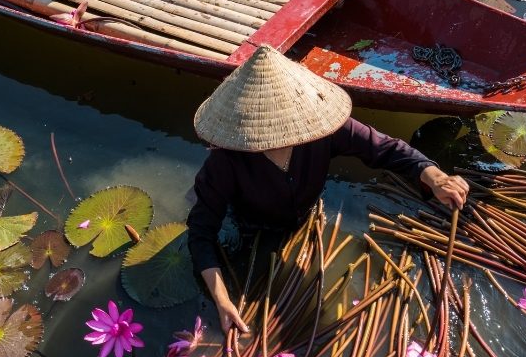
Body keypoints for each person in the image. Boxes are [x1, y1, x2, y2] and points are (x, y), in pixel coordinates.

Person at [187, 45, 469, 334]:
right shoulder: (226, 161)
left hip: (305, 214)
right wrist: (221, 299)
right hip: (253, 226)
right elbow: (200, 233)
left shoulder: (321, 129)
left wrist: (434, 176)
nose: (280, 137)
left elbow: (384, 148)